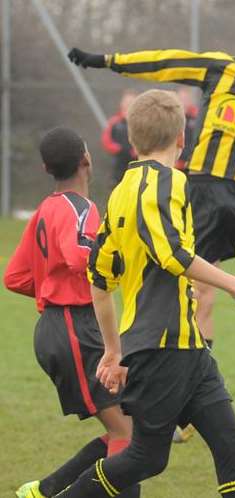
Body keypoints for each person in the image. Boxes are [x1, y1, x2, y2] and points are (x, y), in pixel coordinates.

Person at [68, 20, 235, 348]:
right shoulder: (218, 69)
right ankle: (198, 364)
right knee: (201, 291)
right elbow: (166, 62)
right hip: (201, 190)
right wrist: (107, 60)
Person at [55, 89, 235, 497]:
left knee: (232, 442)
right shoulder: (168, 182)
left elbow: (99, 279)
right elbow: (173, 254)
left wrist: (114, 351)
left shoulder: (120, 192)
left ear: (132, 141)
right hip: (162, 347)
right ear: (182, 139)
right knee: (147, 457)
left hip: (186, 345)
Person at [5, 127, 139, 498]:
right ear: (86, 159)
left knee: (126, 428)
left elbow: (15, 277)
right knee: (128, 439)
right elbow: (81, 256)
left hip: (57, 327)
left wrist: (53, 286)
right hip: (74, 328)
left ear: (48, 168)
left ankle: (45, 490)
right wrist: (126, 265)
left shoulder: (45, 208)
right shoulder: (82, 208)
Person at [101, 89, 137, 186]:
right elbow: (106, 140)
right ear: (121, 103)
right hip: (118, 166)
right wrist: (120, 149)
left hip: (136, 166)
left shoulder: (140, 122)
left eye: (131, 101)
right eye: (126, 101)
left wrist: (135, 151)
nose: (128, 104)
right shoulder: (115, 122)